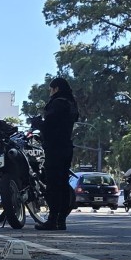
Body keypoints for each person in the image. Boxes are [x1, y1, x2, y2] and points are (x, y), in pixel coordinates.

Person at [31, 76, 79, 231]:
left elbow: (50, 127)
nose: (50, 93)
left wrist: (37, 123)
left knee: (52, 185)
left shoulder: (57, 103)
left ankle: (52, 219)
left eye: (51, 89)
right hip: (66, 146)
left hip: (55, 147)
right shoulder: (71, 103)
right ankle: (61, 219)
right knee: (63, 184)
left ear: (56, 88)